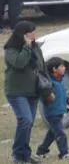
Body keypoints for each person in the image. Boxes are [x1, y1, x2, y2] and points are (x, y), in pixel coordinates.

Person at [5, 20, 45, 164]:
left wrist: (48, 86)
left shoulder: (35, 48)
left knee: (28, 123)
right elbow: (20, 63)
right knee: (25, 120)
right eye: (30, 33)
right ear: (22, 35)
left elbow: (42, 65)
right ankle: (17, 154)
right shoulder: (10, 50)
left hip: (33, 91)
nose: (33, 35)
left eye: (33, 32)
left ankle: (25, 154)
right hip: (16, 92)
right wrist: (27, 47)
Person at [36, 56, 69, 161]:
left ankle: (41, 150)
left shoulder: (61, 82)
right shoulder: (49, 84)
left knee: (52, 133)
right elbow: (45, 97)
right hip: (52, 113)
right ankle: (64, 153)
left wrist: (68, 99)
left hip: (59, 112)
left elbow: (62, 96)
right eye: (62, 66)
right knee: (60, 133)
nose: (64, 68)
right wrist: (48, 98)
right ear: (54, 69)